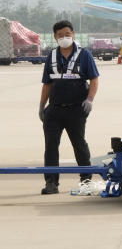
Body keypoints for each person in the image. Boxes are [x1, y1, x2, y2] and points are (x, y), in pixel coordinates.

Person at [39, 20, 99, 195]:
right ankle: (51, 183)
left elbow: (94, 80)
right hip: (54, 110)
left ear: (73, 34)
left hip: (76, 110)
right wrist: (42, 106)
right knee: (51, 147)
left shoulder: (84, 55)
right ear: (55, 37)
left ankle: (86, 181)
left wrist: (90, 100)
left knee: (79, 145)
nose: (64, 37)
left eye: (67, 34)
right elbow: (47, 84)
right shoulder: (51, 56)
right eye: (60, 35)